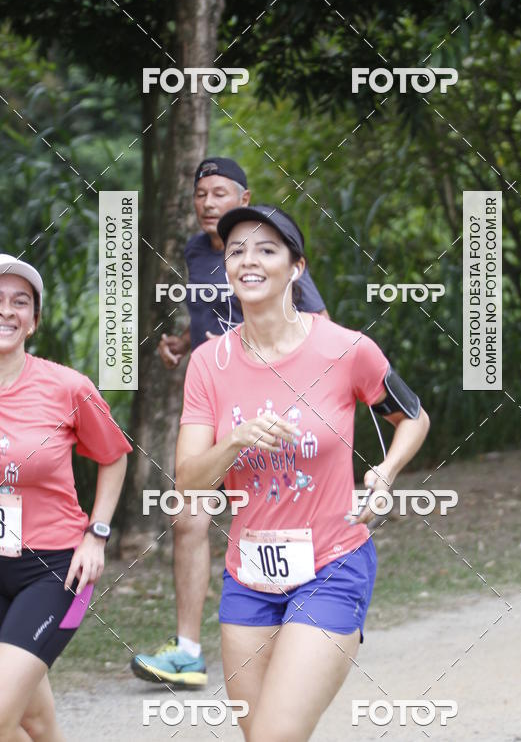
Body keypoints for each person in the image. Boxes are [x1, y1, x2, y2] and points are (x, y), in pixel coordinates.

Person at [174, 205, 430, 741]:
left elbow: (412, 417)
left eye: (266, 249)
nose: (248, 260)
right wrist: (237, 439)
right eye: (237, 250)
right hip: (248, 578)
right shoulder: (208, 363)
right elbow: (188, 481)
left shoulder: (345, 348)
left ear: (296, 267)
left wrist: (384, 472)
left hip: (332, 567)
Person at [132, 157, 327, 688]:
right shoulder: (197, 252)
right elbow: (210, 323)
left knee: (279, 512)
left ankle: (313, 624)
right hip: (215, 401)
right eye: (200, 194)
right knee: (186, 514)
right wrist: (182, 344)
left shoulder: (268, 250)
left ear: (243, 198)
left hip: (270, 407)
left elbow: (319, 327)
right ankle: (189, 651)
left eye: (220, 193)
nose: (207, 203)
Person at [0, 254, 131, 741]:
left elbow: (114, 456)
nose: (8, 311)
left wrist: (96, 535)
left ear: (33, 321)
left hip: (55, 569)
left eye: (20, 302)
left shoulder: (66, 387)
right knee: (31, 720)